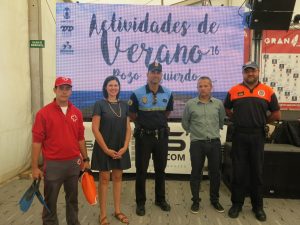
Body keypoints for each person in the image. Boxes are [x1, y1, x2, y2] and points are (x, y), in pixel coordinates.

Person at [224, 61, 281, 222]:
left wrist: (263, 121)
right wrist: (237, 119)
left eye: (253, 71)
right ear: (243, 73)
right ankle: (236, 204)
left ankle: (258, 207)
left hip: (257, 136)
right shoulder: (234, 90)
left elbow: (276, 114)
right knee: (239, 172)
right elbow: (227, 109)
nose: (250, 74)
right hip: (239, 135)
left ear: (258, 72)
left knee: (257, 172)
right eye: (247, 71)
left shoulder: (267, 91)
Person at [31, 76, 90, 225]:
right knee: (50, 203)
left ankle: (73, 222)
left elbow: (80, 138)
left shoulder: (77, 112)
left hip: (73, 164)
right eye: (61, 88)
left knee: (72, 200)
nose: (64, 92)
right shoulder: (43, 114)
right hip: (53, 165)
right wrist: (34, 167)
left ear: (71, 91)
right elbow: (36, 142)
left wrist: (85, 159)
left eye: (67, 88)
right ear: (55, 90)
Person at [128, 61, 174, 216]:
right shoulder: (137, 93)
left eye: (158, 72)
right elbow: (132, 115)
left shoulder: (168, 93)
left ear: (161, 75)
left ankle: (160, 200)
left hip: (161, 137)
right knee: (141, 171)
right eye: (153, 72)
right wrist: (146, 125)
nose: (155, 75)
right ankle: (140, 203)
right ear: (147, 74)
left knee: (161, 170)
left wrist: (156, 124)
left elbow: (166, 113)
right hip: (144, 138)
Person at [181, 76, 226, 214]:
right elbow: (185, 122)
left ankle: (215, 200)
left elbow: (221, 121)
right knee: (196, 173)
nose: (203, 88)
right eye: (200, 86)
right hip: (197, 144)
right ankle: (195, 200)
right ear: (197, 88)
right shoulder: (190, 104)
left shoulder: (218, 104)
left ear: (211, 87)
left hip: (214, 143)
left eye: (206, 86)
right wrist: (193, 132)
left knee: (215, 173)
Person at [91, 76, 131, 225]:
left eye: (116, 85)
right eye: (110, 85)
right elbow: (95, 129)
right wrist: (106, 149)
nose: (113, 88)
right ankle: (102, 214)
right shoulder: (99, 104)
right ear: (105, 88)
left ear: (119, 88)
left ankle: (117, 211)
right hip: (104, 148)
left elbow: (128, 128)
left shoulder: (125, 105)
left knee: (118, 178)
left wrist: (125, 146)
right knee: (104, 179)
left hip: (120, 147)